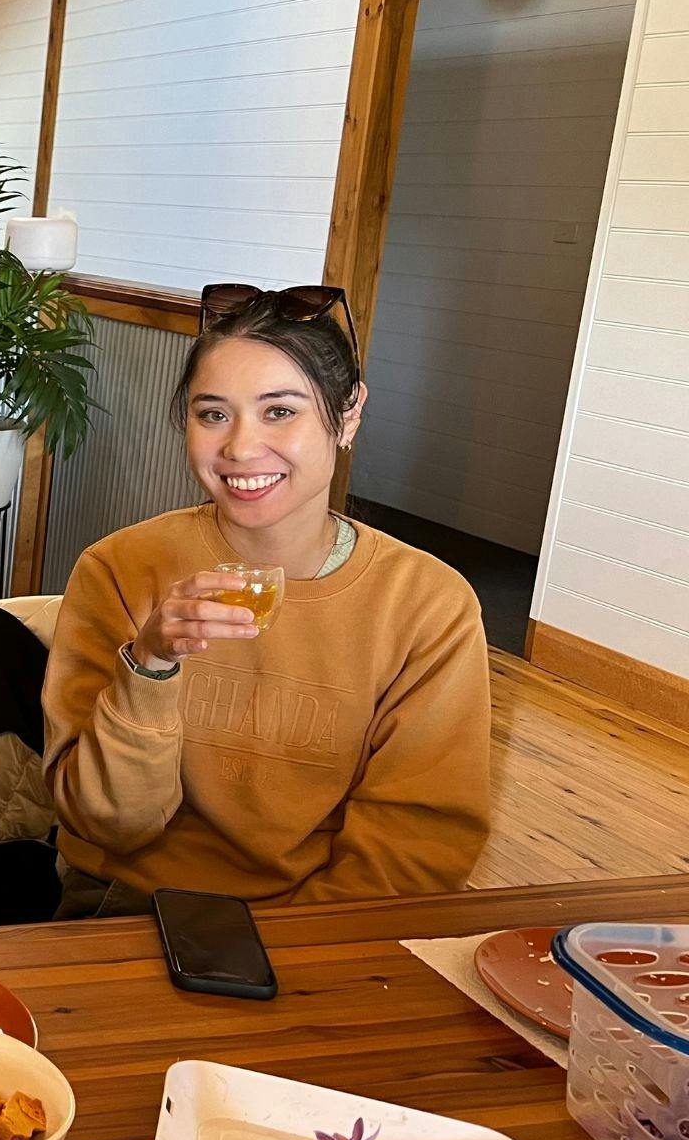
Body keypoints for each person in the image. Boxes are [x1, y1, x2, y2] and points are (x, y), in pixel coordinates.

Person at [42, 284, 492, 917]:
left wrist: (297, 949)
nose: (240, 449)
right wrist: (149, 665)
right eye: (213, 414)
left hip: (322, 923)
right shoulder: (121, 568)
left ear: (350, 414)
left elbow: (415, 844)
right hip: (131, 905)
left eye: (280, 411)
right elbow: (108, 825)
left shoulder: (426, 604)